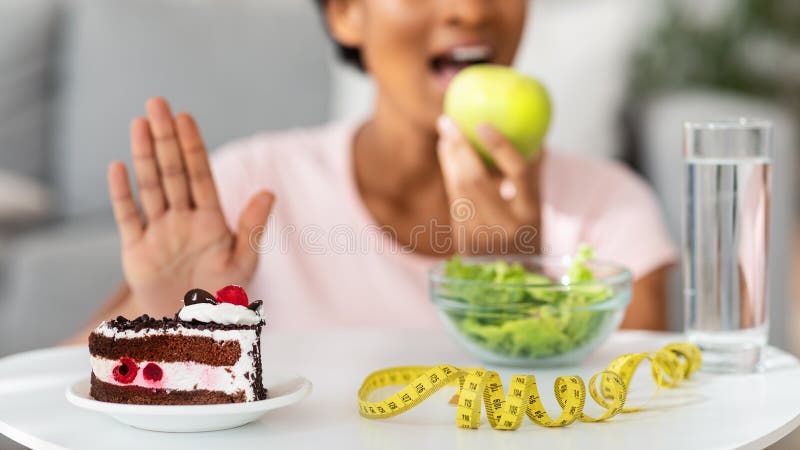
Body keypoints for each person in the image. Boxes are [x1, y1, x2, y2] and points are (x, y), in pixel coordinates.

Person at [68, 0, 676, 342]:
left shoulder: (609, 208)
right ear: (346, 14)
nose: (469, 10)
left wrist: (506, 284)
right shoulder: (249, 186)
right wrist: (164, 321)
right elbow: (47, 394)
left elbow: (653, 421)